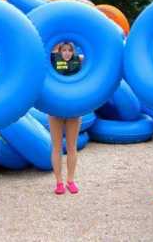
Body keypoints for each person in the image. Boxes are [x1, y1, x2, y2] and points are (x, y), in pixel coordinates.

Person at [49, 42, 82, 195]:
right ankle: (59, 182)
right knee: (56, 146)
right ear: (59, 51)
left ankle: (70, 180)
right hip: (55, 108)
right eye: (64, 50)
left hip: (74, 107)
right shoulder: (52, 59)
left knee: (71, 146)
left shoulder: (79, 60)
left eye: (70, 50)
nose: (67, 53)